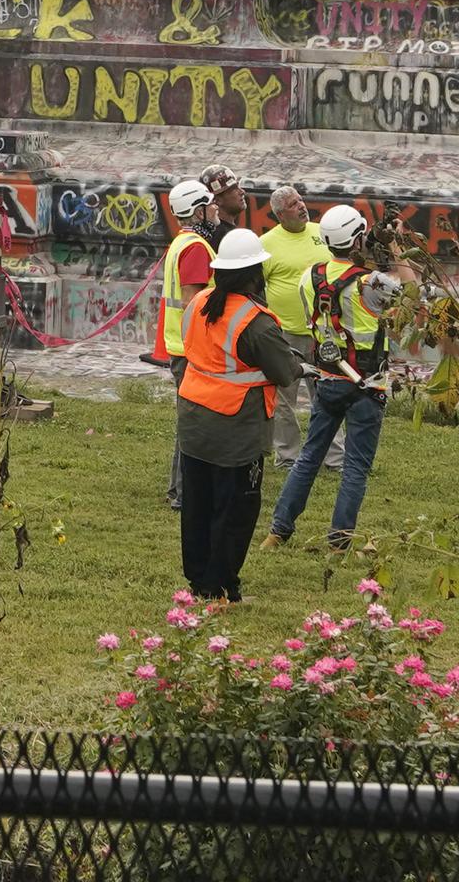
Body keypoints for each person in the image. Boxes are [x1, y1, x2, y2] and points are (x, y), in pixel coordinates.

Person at [174, 227, 305, 603]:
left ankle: (199, 581)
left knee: (197, 506)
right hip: (235, 430)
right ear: (254, 274)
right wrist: (301, 367)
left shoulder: (199, 302)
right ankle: (219, 586)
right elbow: (283, 371)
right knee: (235, 512)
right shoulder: (256, 321)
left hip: (194, 421)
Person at [269, 207, 402, 549]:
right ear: (358, 238)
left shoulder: (308, 276)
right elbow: (414, 296)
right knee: (354, 468)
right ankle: (339, 540)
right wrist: (397, 247)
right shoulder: (371, 283)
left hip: (328, 378)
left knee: (309, 457)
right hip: (367, 383)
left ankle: (279, 530)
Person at [150, 179, 222, 510]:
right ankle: (182, 492)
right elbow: (196, 303)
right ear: (198, 211)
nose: (217, 207)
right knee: (193, 424)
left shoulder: (182, 243)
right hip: (191, 350)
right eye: (211, 203)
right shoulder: (195, 248)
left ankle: (181, 490)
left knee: (190, 422)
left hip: (180, 347)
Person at [253, 188, 333, 482]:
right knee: (283, 398)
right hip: (285, 334)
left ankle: (334, 457)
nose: (301, 207)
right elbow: (256, 286)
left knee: (328, 395)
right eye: (293, 205)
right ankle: (288, 457)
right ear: (280, 214)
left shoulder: (321, 233)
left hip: (324, 332)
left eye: (301, 201)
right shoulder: (267, 244)